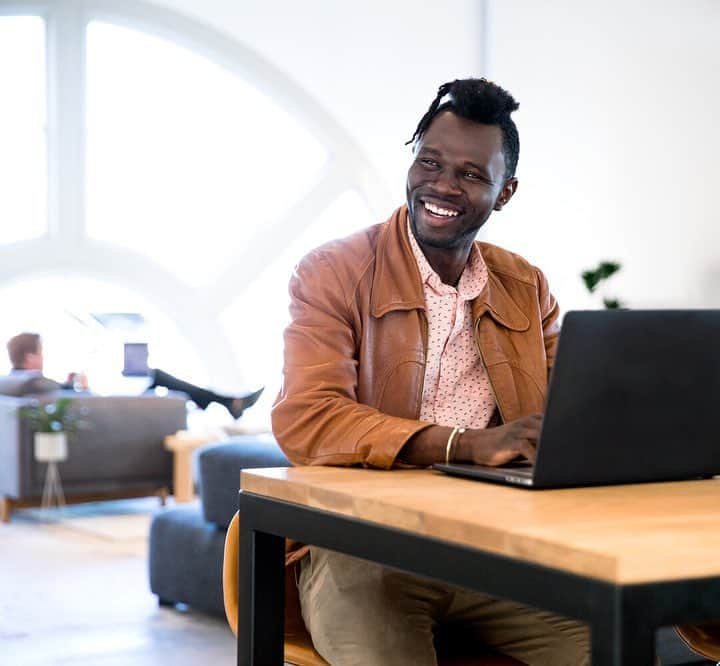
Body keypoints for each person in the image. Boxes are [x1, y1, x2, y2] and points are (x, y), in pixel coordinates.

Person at [272, 79, 588, 665]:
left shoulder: (527, 287)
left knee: (617, 644)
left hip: (495, 548)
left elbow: (566, 415)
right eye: (430, 162)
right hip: (357, 546)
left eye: (470, 174)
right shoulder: (333, 271)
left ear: (505, 192)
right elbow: (307, 420)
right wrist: (463, 445)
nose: (442, 185)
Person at [5, 332, 263, 420]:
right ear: (29, 357)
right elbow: (71, 405)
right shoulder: (35, 382)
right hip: (109, 413)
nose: (43, 356)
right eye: (40, 352)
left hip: (104, 408)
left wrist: (69, 385)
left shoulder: (17, 384)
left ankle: (223, 402)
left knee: (154, 378)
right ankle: (227, 402)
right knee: (157, 377)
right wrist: (78, 387)